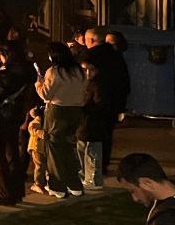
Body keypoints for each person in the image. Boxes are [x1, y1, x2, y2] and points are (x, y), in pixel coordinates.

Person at [36, 41, 87, 198]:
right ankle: (74, 184)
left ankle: (57, 186)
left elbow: (46, 94)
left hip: (57, 112)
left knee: (54, 149)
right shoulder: (78, 70)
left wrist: (38, 83)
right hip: (76, 111)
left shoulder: (54, 72)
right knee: (68, 147)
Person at [0, 41, 34, 206]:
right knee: (13, 153)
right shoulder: (28, 70)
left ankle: (5, 192)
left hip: (1, 117)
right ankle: (17, 191)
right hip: (16, 115)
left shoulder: (6, 73)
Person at [85, 26, 131, 175]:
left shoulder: (90, 56)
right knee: (107, 133)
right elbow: (124, 80)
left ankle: (94, 168)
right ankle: (103, 163)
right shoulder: (116, 55)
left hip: (94, 101)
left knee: (92, 134)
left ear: (91, 40)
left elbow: (86, 80)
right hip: (112, 101)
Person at [80, 60, 111, 191]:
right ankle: (86, 177)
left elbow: (100, 105)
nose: (87, 73)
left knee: (92, 152)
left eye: (91, 69)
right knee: (82, 150)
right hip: (83, 123)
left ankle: (93, 179)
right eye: (85, 69)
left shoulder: (98, 85)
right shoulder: (84, 83)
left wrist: (86, 107)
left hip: (93, 123)